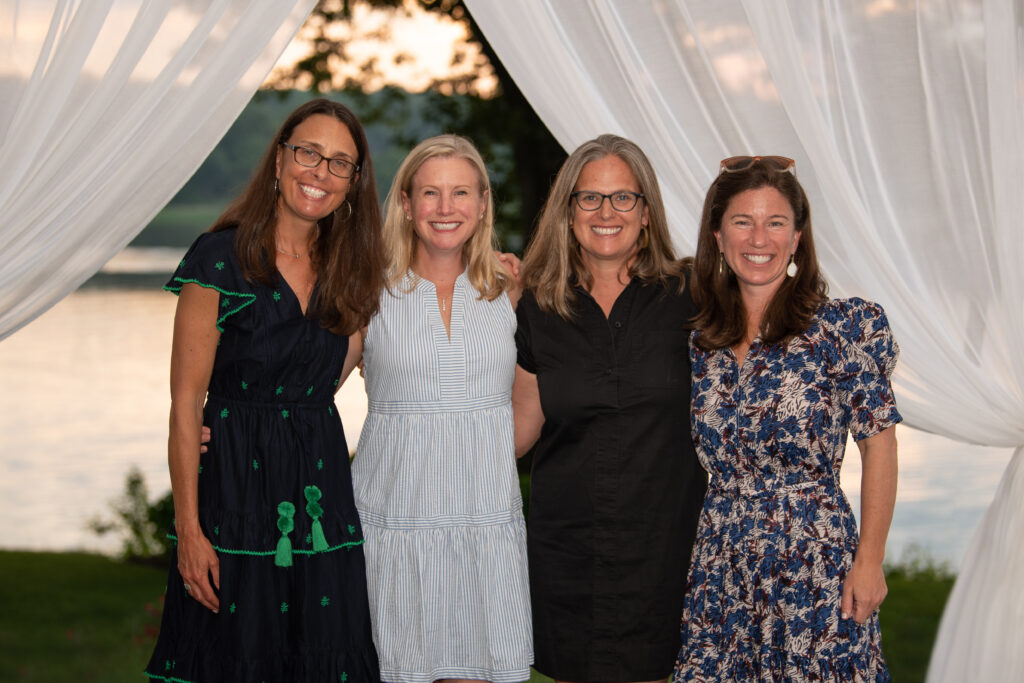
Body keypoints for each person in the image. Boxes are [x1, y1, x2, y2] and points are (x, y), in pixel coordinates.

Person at [146, 98, 383, 682]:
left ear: (354, 183)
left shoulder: (351, 268)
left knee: (325, 658)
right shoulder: (220, 258)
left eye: (339, 163)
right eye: (308, 153)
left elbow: (351, 366)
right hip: (234, 490)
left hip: (321, 500)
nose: (319, 172)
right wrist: (189, 533)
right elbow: (184, 406)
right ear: (279, 161)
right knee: (235, 656)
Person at [672, 156, 900, 681]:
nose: (760, 238)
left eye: (775, 223)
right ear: (717, 235)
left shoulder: (840, 329)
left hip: (814, 562)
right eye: (742, 222)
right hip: (721, 563)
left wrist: (870, 559)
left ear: (797, 237)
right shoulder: (700, 339)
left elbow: (880, 446)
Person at [512, 134, 707, 683]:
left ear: (647, 212)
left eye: (623, 198)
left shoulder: (695, 293)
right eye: (589, 198)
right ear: (567, 209)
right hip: (568, 553)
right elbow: (518, 433)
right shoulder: (534, 303)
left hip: (669, 553)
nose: (606, 212)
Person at [351, 134, 533, 683]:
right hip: (395, 525)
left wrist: (482, 453)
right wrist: (227, 417)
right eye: (431, 193)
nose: (446, 208)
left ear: (482, 205)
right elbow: (309, 385)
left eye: (461, 193)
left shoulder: (510, 292)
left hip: (483, 527)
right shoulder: (370, 291)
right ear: (406, 204)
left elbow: (528, 406)